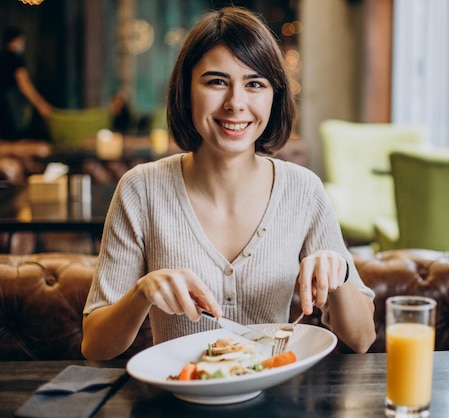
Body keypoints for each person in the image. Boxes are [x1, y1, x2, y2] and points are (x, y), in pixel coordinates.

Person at [81, 6, 376, 360]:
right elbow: (95, 346)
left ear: (274, 96)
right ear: (186, 89)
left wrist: (340, 273)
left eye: (255, 84)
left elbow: (362, 339)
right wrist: (142, 293)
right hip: (179, 401)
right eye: (216, 81)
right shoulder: (140, 190)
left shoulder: (304, 191)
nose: (236, 103)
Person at [0, 27, 52, 140]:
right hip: (10, 103)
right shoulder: (15, 59)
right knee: (15, 135)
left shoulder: (2, 56)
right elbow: (24, 85)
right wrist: (40, 104)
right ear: (16, 40)